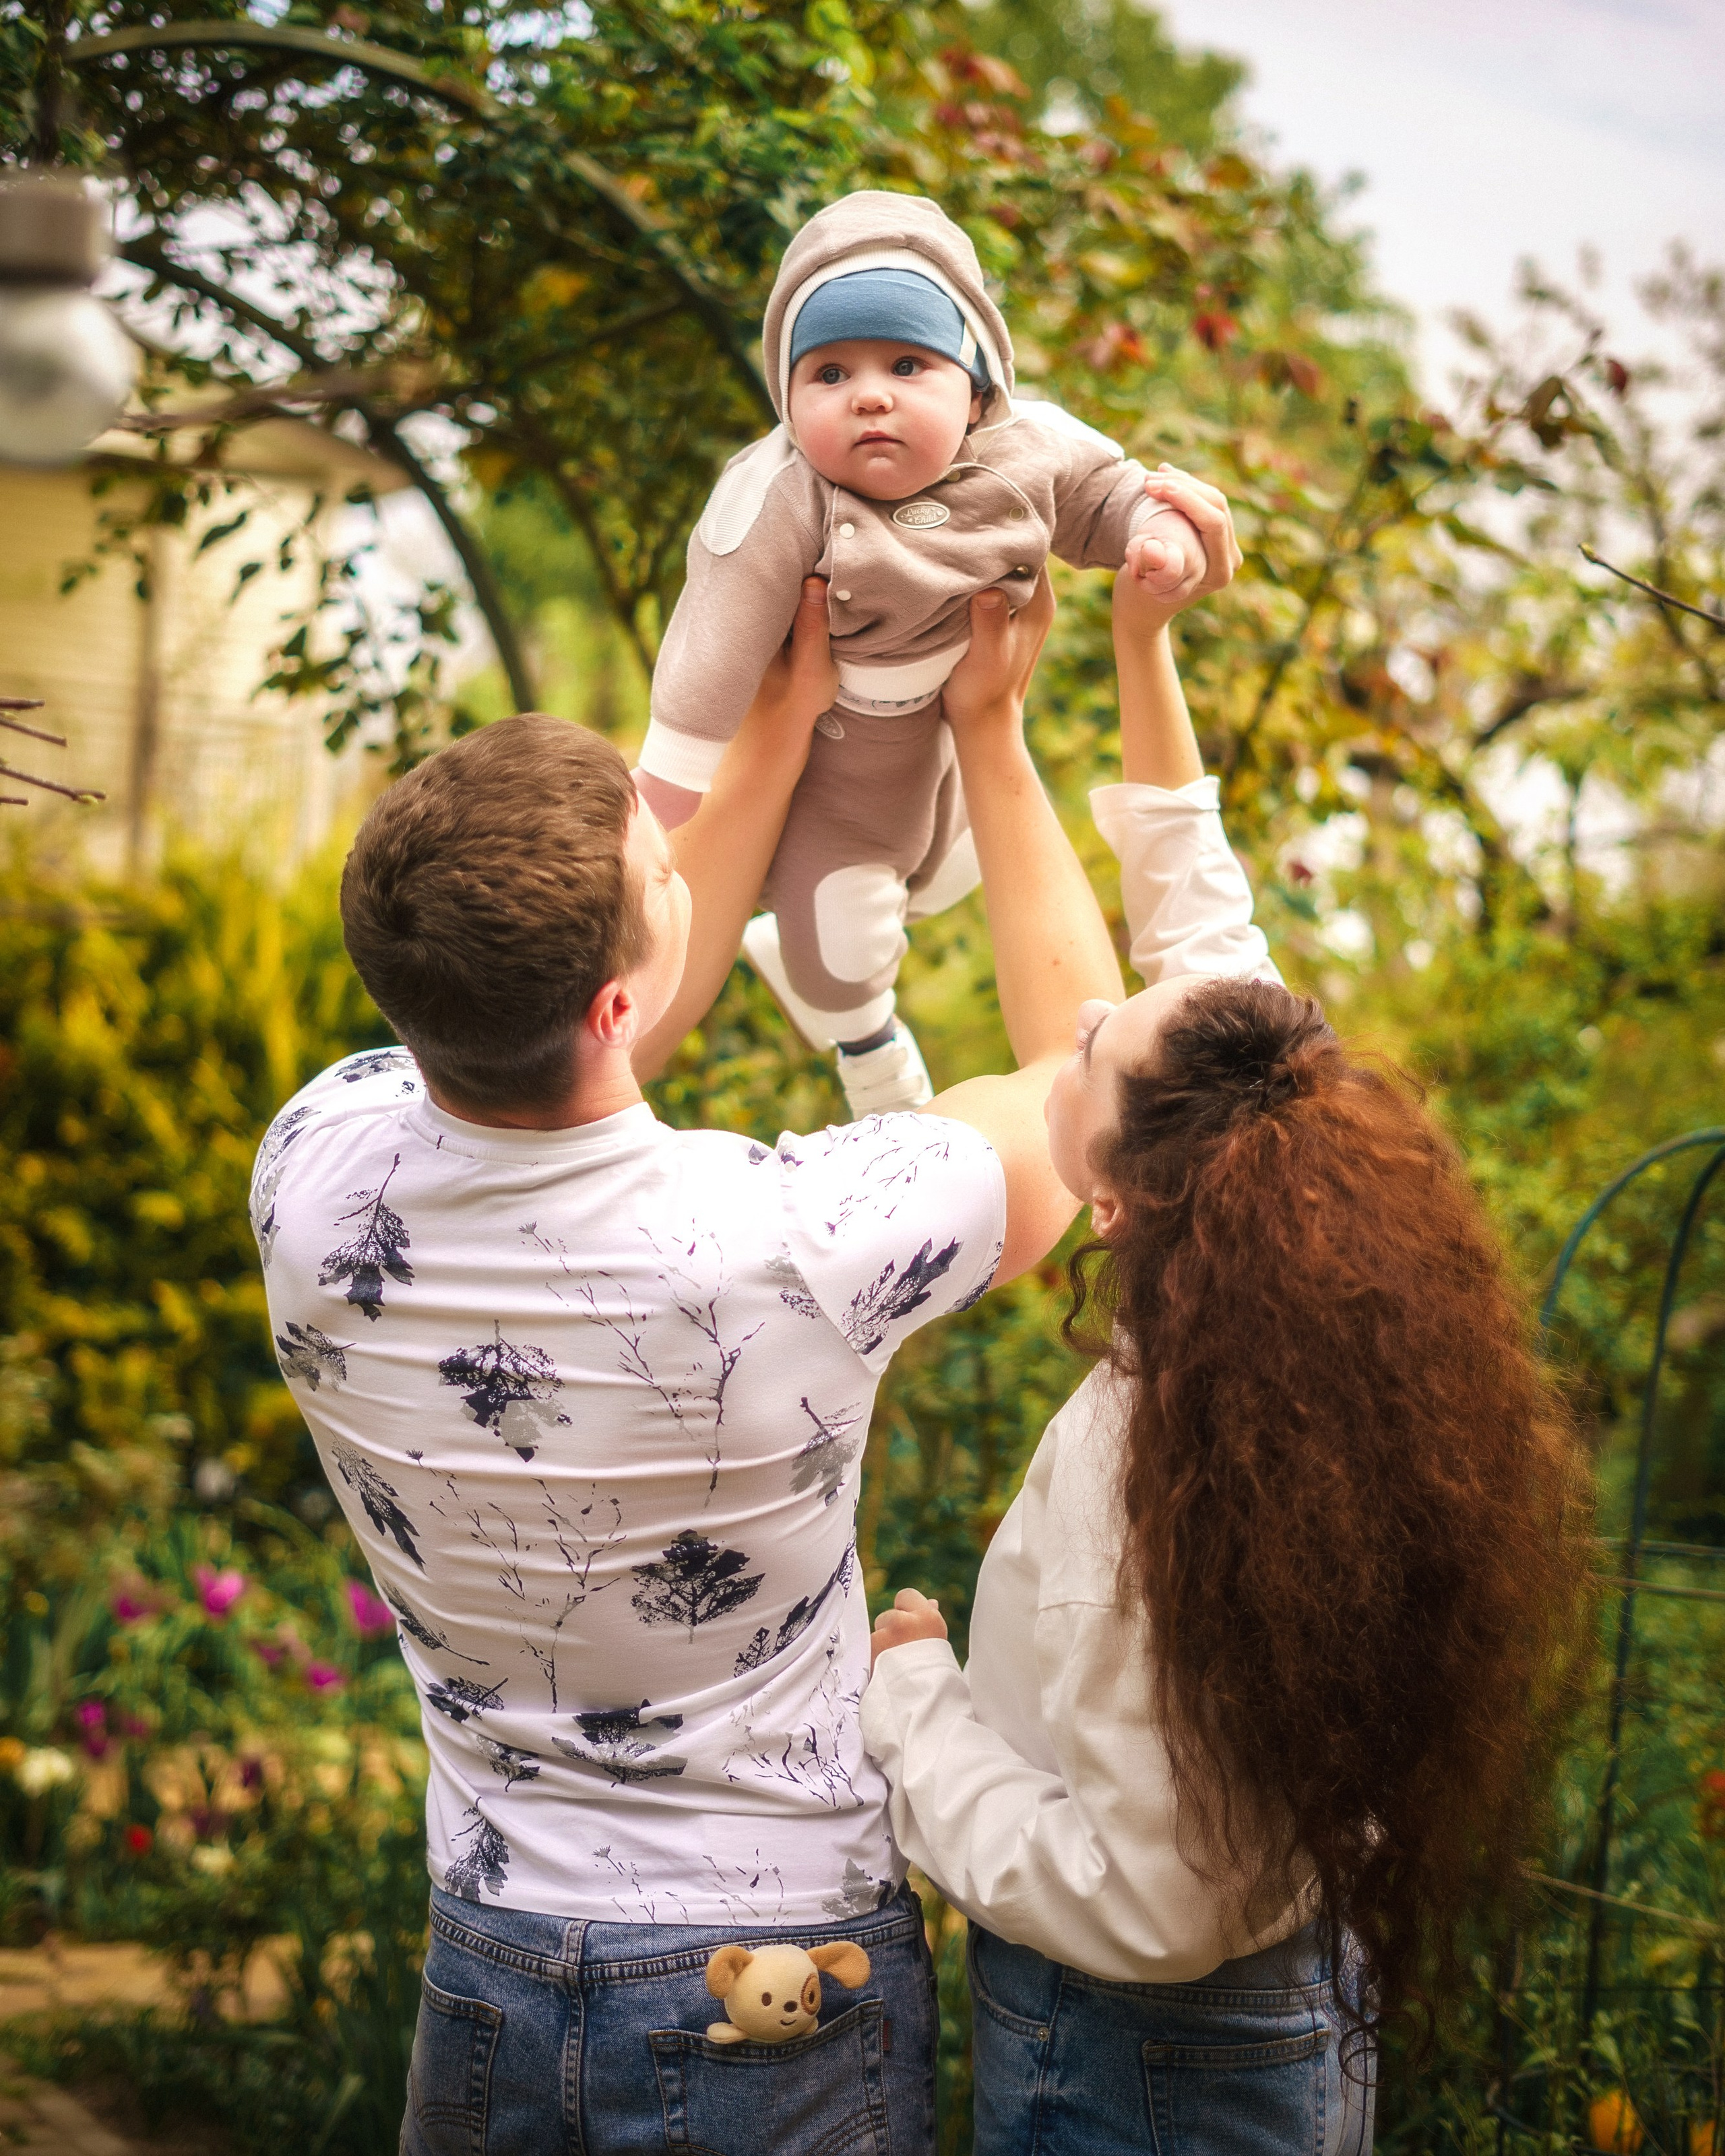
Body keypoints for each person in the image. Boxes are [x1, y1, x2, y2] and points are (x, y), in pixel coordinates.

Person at [251, 507, 1231, 2154]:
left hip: (484, 1947)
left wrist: (773, 721)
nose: (674, 857)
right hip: (766, 1979)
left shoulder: (314, 1168)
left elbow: (562, 1020)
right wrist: (982, 727)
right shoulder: (802, 1236)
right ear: (623, 995)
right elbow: (1089, 1092)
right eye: (656, 860)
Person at [862, 484, 1587, 2156]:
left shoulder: (1165, 1469)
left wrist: (911, 1702)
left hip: (1150, 2066)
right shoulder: (1298, 1258)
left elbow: (1153, 1902)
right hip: (1265, 2014)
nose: (1089, 1007)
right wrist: (1138, 642)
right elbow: (1202, 930)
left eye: (1094, 1049)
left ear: (1116, 1202)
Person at [637, 189, 1207, 1117]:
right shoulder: (783, 494)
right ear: (786, 399)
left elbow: (1108, 491)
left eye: (908, 364)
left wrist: (1158, 537)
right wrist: (667, 787)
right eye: (828, 374)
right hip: (840, 760)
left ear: (977, 389)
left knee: (964, 867)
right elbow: (715, 634)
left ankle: (850, 945)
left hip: (950, 736)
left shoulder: (1026, 449)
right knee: (848, 942)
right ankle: (869, 1048)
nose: (869, 395)